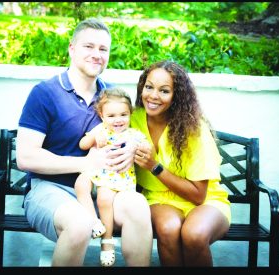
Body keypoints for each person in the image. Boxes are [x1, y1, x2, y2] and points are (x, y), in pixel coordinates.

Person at [16, 18, 153, 267]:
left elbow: (136, 135)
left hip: (106, 189)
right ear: (72, 48)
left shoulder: (113, 96)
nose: (96, 55)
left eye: (103, 49)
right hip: (51, 189)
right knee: (80, 223)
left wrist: (134, 147)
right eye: (88, 46)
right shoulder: (45, 93)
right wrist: (85, 163)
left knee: (138, 206)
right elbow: (26, 157)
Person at [131, 60, 231, 267]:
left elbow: (198, 195)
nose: (153, 96)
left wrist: (154, 167)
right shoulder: (132, 119)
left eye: (164, 91)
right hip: (158, 198)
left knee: (194, 234)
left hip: (205, 201)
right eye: (149, 87)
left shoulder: (193, 128)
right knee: (168, 228)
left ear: (177, 96)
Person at [75, 87, 150, 267]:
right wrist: (94, 138)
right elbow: (82, 144)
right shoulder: (100, 129)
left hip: (119, 179)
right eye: (111, 116)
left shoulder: (132, 134)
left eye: (123, 114)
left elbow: (147, 147)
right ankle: (94, 221)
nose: (118, 120)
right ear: (102, 115)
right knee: (80, 184)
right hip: (99, 174)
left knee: (104, 198)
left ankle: (106, 242)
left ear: (130, 114)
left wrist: (138, 146)